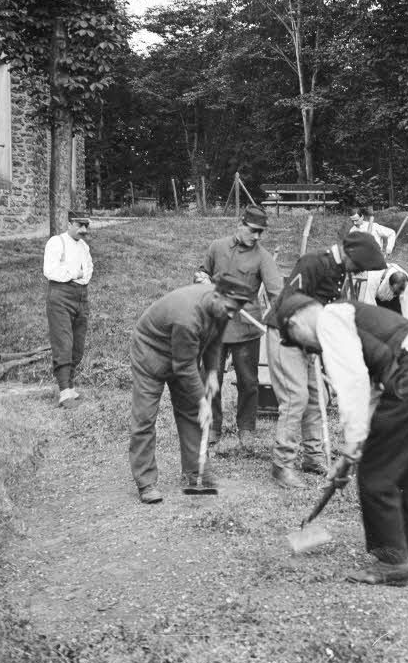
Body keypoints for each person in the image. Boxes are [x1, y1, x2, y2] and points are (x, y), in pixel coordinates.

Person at [274, 291, 408, 587]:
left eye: (301, 345)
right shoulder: (353, 317)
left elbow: (353, 382)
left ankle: (393, 562)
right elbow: (375, 390)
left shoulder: (329, 320)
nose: (310, 351)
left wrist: (353, 442)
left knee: (376, 477)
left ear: (295, 323)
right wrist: (355, 448)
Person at [264, 233, 388, 489]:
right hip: (286, 334)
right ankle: (282, 465)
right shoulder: (313, 263)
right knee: (295, 398)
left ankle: (313, 457)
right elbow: (289, 304)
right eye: (359, 265)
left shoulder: (340, 270)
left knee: (316, 396)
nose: (359, 271)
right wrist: (309, 335)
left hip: (309, 338)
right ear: (349, 254)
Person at [127, 277, 254, 504]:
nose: (232, 315)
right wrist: (203, 401)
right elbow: (184, 367)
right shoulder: (188, 317)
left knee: (190, 411)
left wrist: (212, 372)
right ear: (217, 296)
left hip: (181, 352)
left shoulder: (222, 308)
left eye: (235, 310)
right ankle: (146, 482)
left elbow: (215, 340)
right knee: (145, 417)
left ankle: (195, 471)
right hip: (150, 353)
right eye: (230, 309)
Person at [194, 205, 283, 453]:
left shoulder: (263, 257)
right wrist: (201, 278)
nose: (257, 236)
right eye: (253, 230)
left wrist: (282, 321)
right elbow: (202, 272)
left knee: (248, 381)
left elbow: (277, 293)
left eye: (261, 232)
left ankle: (246, 428)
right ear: (240, 224)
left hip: (246, 329)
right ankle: (213, 427)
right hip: (215, 326)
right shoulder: (217, 247)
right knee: (211, 377)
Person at [42, 210, 93, 407]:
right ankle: (64, 392)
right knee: (63, 342)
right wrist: (74, 273)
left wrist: (81, 276)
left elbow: (88, 270)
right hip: (60, 296)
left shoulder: (84, 247)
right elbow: (50, 270)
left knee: (77, 345)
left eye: (86, 225)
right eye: (79, 225)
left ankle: (70, 387)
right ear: (69, 224)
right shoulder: (57, 242)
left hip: (81, 296)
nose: (83, 230)